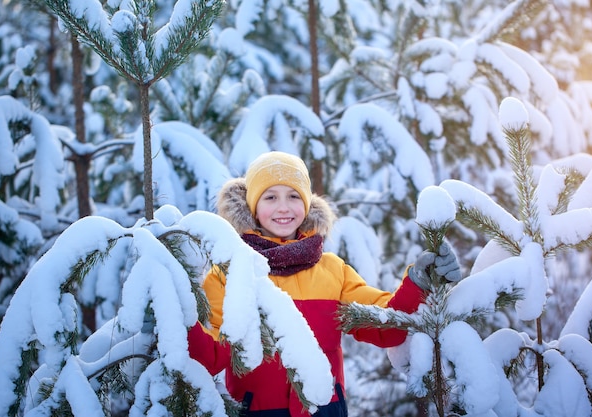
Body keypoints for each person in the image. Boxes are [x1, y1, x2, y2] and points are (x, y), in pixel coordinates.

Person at [188, 151, 460, 417]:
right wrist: (178, 313)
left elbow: (384, 325)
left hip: (325, 410)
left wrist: (417, 283)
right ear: (253, 209)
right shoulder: (228, 273)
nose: (283, 207)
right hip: (257, 411)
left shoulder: (332, 270)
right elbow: (211, 355)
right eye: (270, 197)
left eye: (294, 196)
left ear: (307, 205)